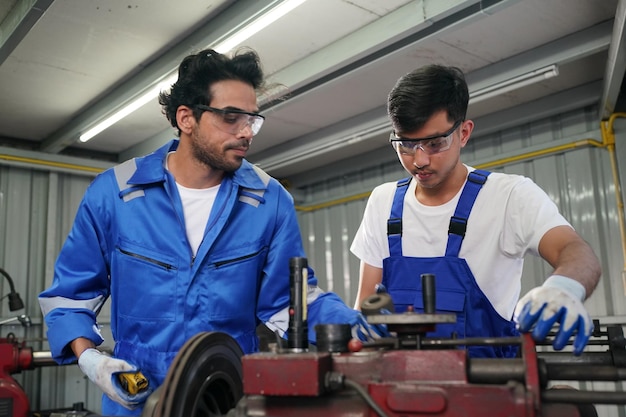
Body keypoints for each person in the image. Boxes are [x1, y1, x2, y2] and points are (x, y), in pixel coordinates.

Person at [38, 48, 382, 416]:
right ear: (186, 118)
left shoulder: (269, 200)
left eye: (252, 119)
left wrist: (359, 328)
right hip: (137, 399)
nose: (247, 132)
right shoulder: (116, 193)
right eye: (231, 117)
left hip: (230, 398)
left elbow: (288, 302)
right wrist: (90, 358)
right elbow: (71, 296)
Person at [350, 64, 601, 358]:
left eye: (434, 143)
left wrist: (565, 286)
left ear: (464, 133)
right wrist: (363, 332)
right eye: (405, 144)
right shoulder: (383, 202)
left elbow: (575, 250)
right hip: (395, 393)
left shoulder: (509, 196)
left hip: (489, 391)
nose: (419, 160)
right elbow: (366, 305)